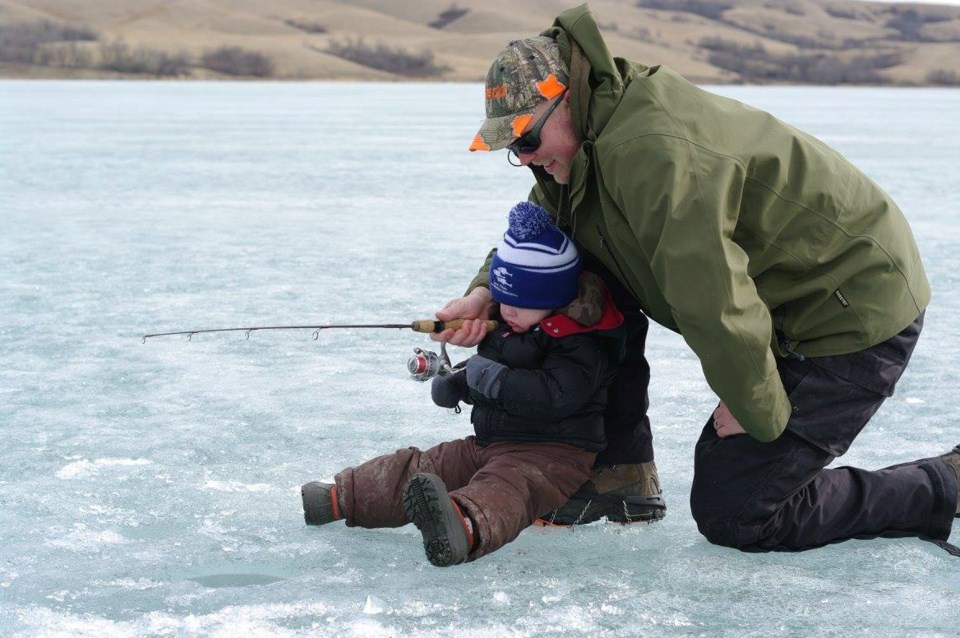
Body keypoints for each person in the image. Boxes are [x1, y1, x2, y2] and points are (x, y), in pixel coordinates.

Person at [439, 2, 960, 554]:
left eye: (525, 141)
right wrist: (485, 293)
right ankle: (620, 476)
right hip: (782, 303)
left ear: (566, 100)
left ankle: (943, 484)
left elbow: (713, 296)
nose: (525, 160)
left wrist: (752, 399)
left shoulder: (654, 155)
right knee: (579, 280)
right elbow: (544, 231)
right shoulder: (592, 137)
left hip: (848, 304)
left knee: (739, 513)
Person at [301, 201, 630, 566]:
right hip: (490, 442)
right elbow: (489, 372)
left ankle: (462, 526)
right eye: (503, 300)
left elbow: (557, 396)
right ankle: (342, 496)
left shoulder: (579, 340)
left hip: (553, 454)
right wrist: (457, 384)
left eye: (521, 303)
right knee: (423, 466)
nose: (507, 311)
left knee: (507, 489)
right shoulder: (509, 323)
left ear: (554, 297)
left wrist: (494, 379)